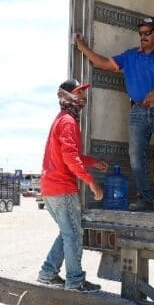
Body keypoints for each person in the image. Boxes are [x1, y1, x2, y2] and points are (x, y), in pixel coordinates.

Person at [73, 17, 154, 213]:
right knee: (135, 156)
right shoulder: (130, 56)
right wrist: (81, 46)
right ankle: (143, 198)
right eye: (141, 33)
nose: (142, 37)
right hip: (137, 110)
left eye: (147, 33)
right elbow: (103, 63)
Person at [37, 79, 108, 293]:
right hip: (62, 189)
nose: (83, 98)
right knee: (74, 234)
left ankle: (48, 274)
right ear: (67, 97)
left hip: (50, 188)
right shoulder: (68, 122)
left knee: (67, 232)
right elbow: (70, 158)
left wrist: (92, 161)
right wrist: (91, 181)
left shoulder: (62, 120)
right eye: (79, 94)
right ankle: (75, 282)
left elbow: (70, 154)